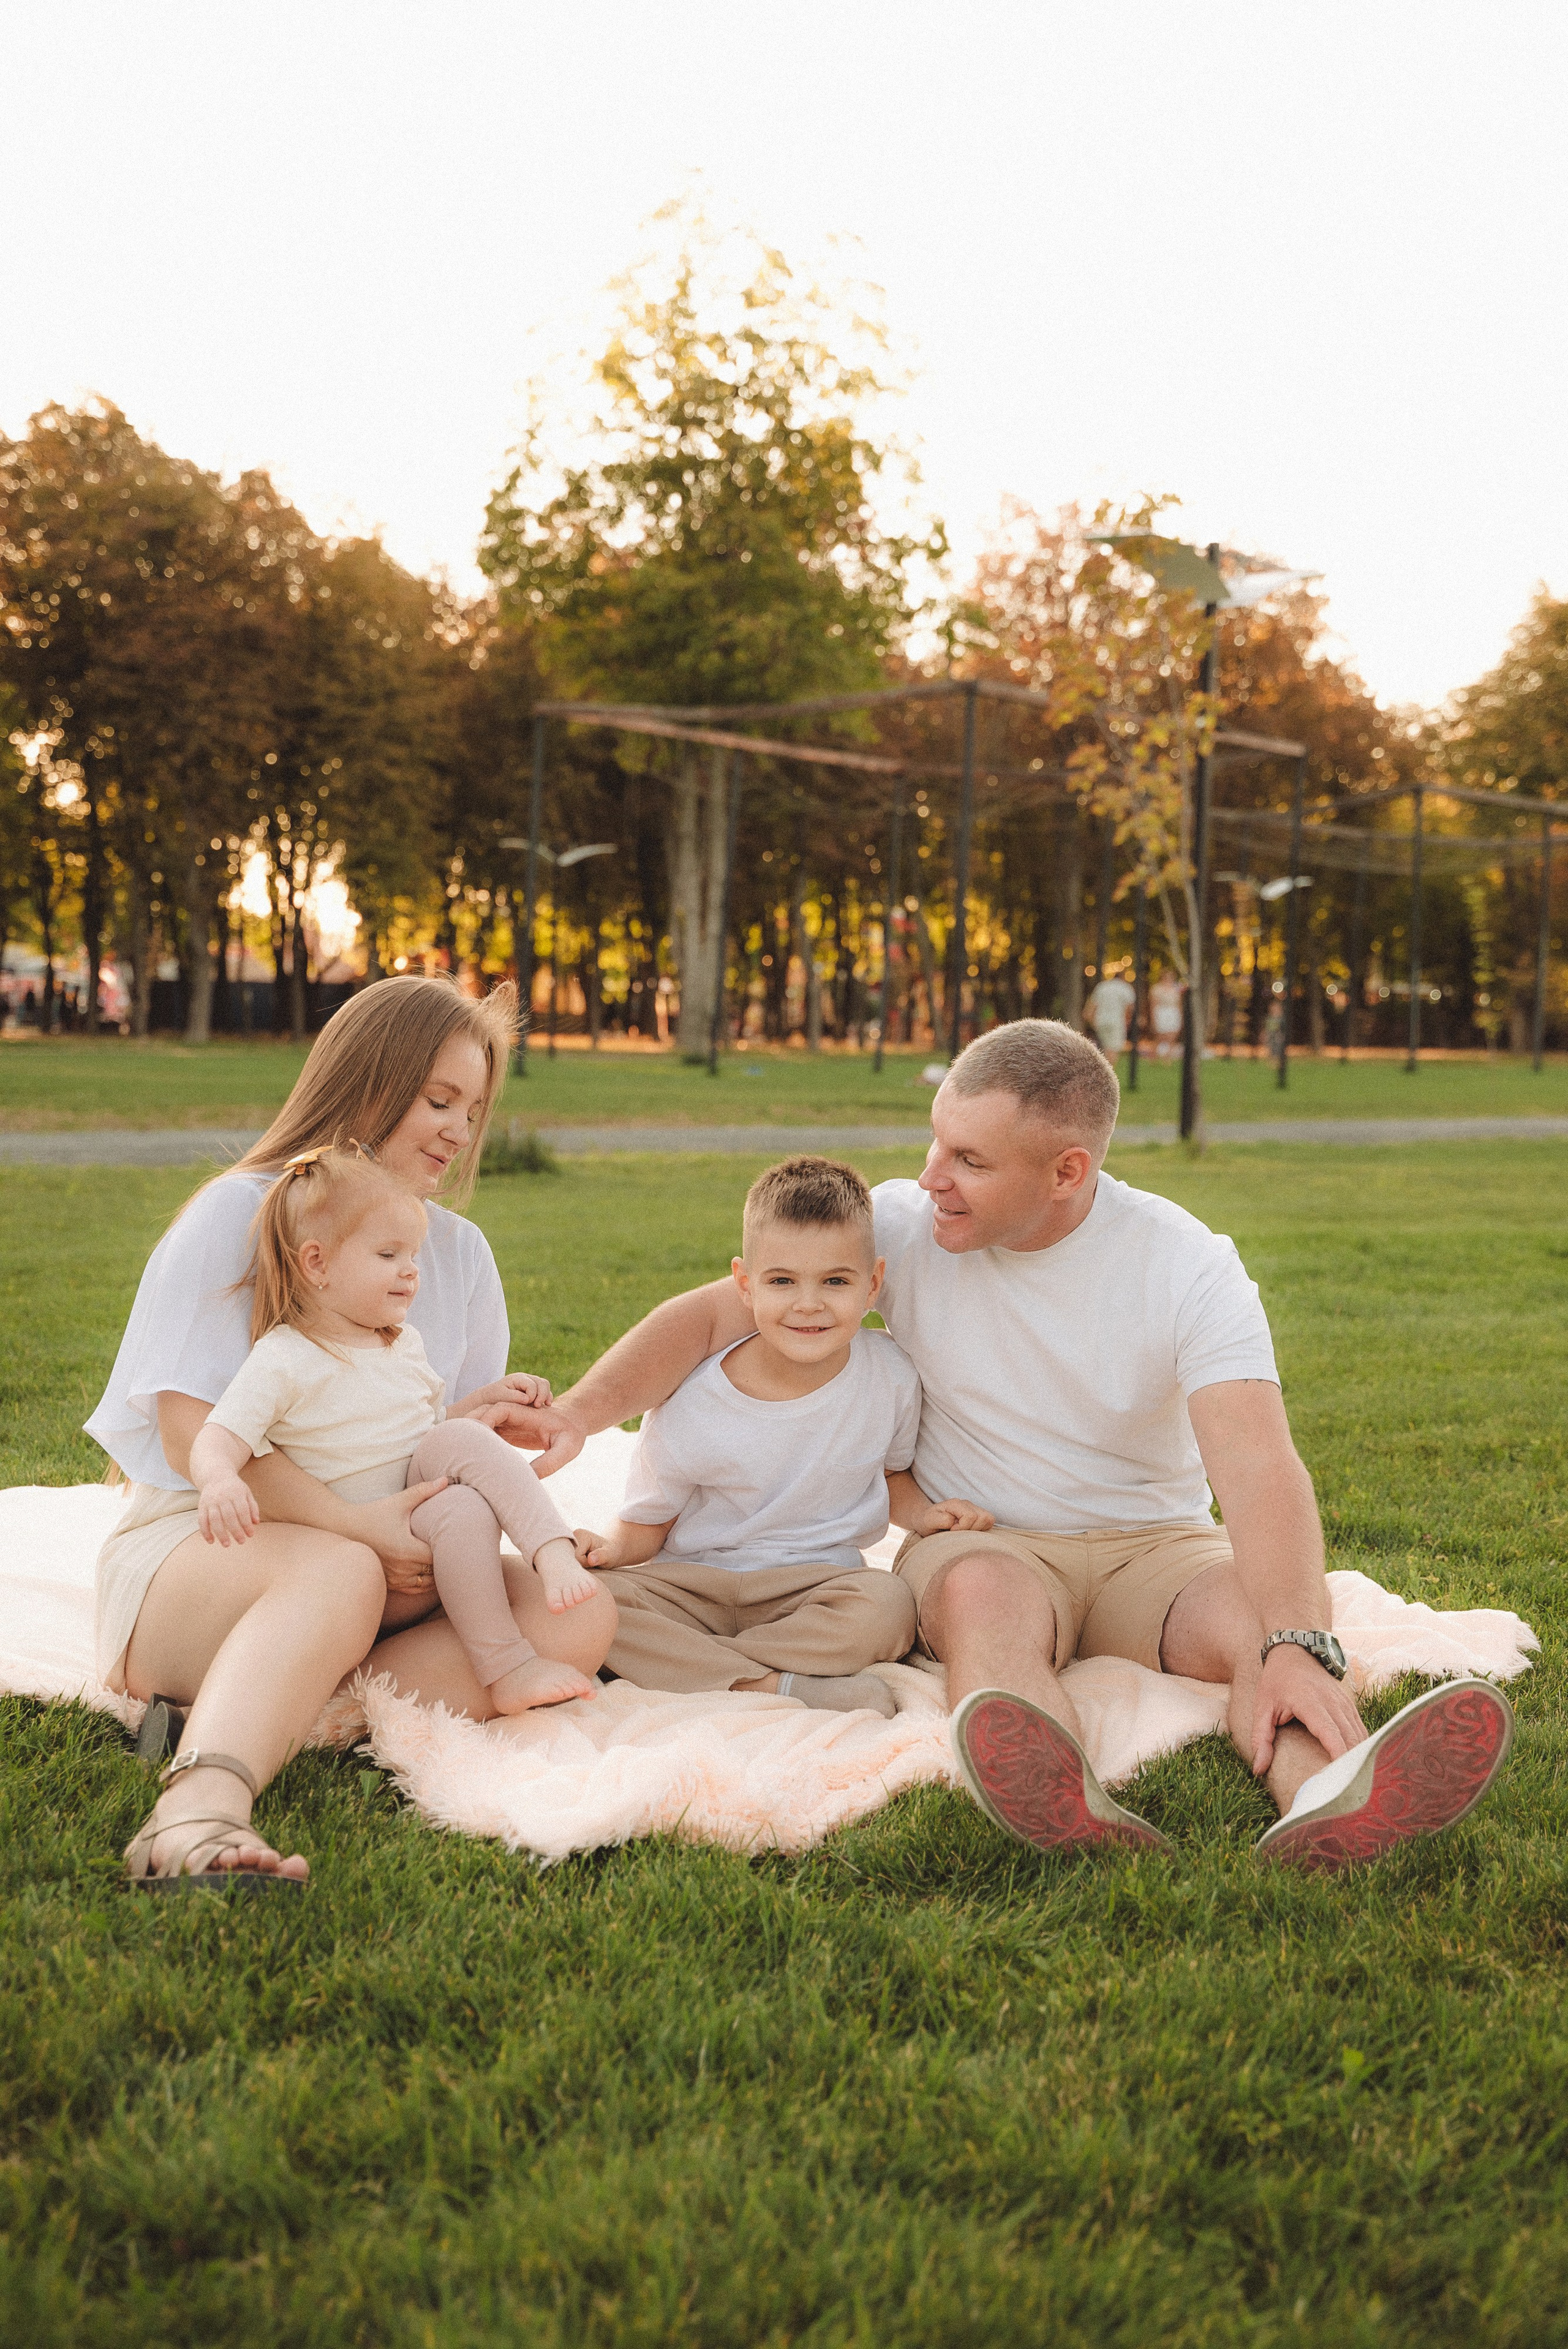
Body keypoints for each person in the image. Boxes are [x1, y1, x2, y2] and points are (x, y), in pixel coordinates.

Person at [510, 1020, 1513, 1872]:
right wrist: (582, 1414)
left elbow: (1257, 1464)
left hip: (1155, 1548)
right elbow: (709, 1318)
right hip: (981, 1536)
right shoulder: (901, 1226)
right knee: (989, 1610)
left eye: (970, 1162)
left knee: (1262, 1640)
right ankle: (1073, 1812)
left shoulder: (1187, 1266)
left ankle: (1329, 1804)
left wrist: (1301, 1638)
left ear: (1068, 1172)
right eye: (937, 1142)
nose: (931, 1178)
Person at [88, 975, 617, 1891]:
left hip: (385, 1578)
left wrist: (470, 1424)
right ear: (364, 1082)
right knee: (340, 1569)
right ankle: (194, 1808)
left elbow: (399, 1438)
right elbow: (189, 1434)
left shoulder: (458, 1253)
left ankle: (290, 1706)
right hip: (211, 1554)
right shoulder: (241, 1210)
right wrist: (356, 1526)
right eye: (437, 1098)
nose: (459, 1127)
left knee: (577, 1614)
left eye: (475, 1106)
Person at [186, 1148, 601, 1721]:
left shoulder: (403, 1343)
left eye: (413, 1254)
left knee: (463, 1494)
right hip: (354, 1563)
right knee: (458, 1470)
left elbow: (431, 1434)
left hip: (420, 1542)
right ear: (317, 1264)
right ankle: (518, 1623)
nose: (411, 1270)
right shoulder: (284, 1358)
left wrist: (484, 1404)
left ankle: (535, 1594)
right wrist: (218, 1482)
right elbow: (216, 1436)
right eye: (388, 1254)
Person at [575, 1156, 988, 1718]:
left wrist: (926, 1516)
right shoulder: (695, 1399)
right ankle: (768, 1686)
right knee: (590, 1602)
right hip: (696, 1585)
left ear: (873, 1283)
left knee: (889, 1607)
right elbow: (651, 1522)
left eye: (836, 1281)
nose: (809, 1304)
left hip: (817, 1584)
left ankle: (694, 1668)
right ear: (745, 1284)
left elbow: (890, 1477)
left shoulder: (891, 1376)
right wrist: (608, 1549)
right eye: (782, 1281)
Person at [1082, 965, 1136, 1061]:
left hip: (1101, 1021)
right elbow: (1130, 1009)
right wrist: (1127, 1022)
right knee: (1112, 1049)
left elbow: (1091, 1008)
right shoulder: (1126, 988)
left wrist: (1093, 1022)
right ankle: (1108, 1074)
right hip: (1116, 1022)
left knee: (1106, 1048)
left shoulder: (1102, 986)